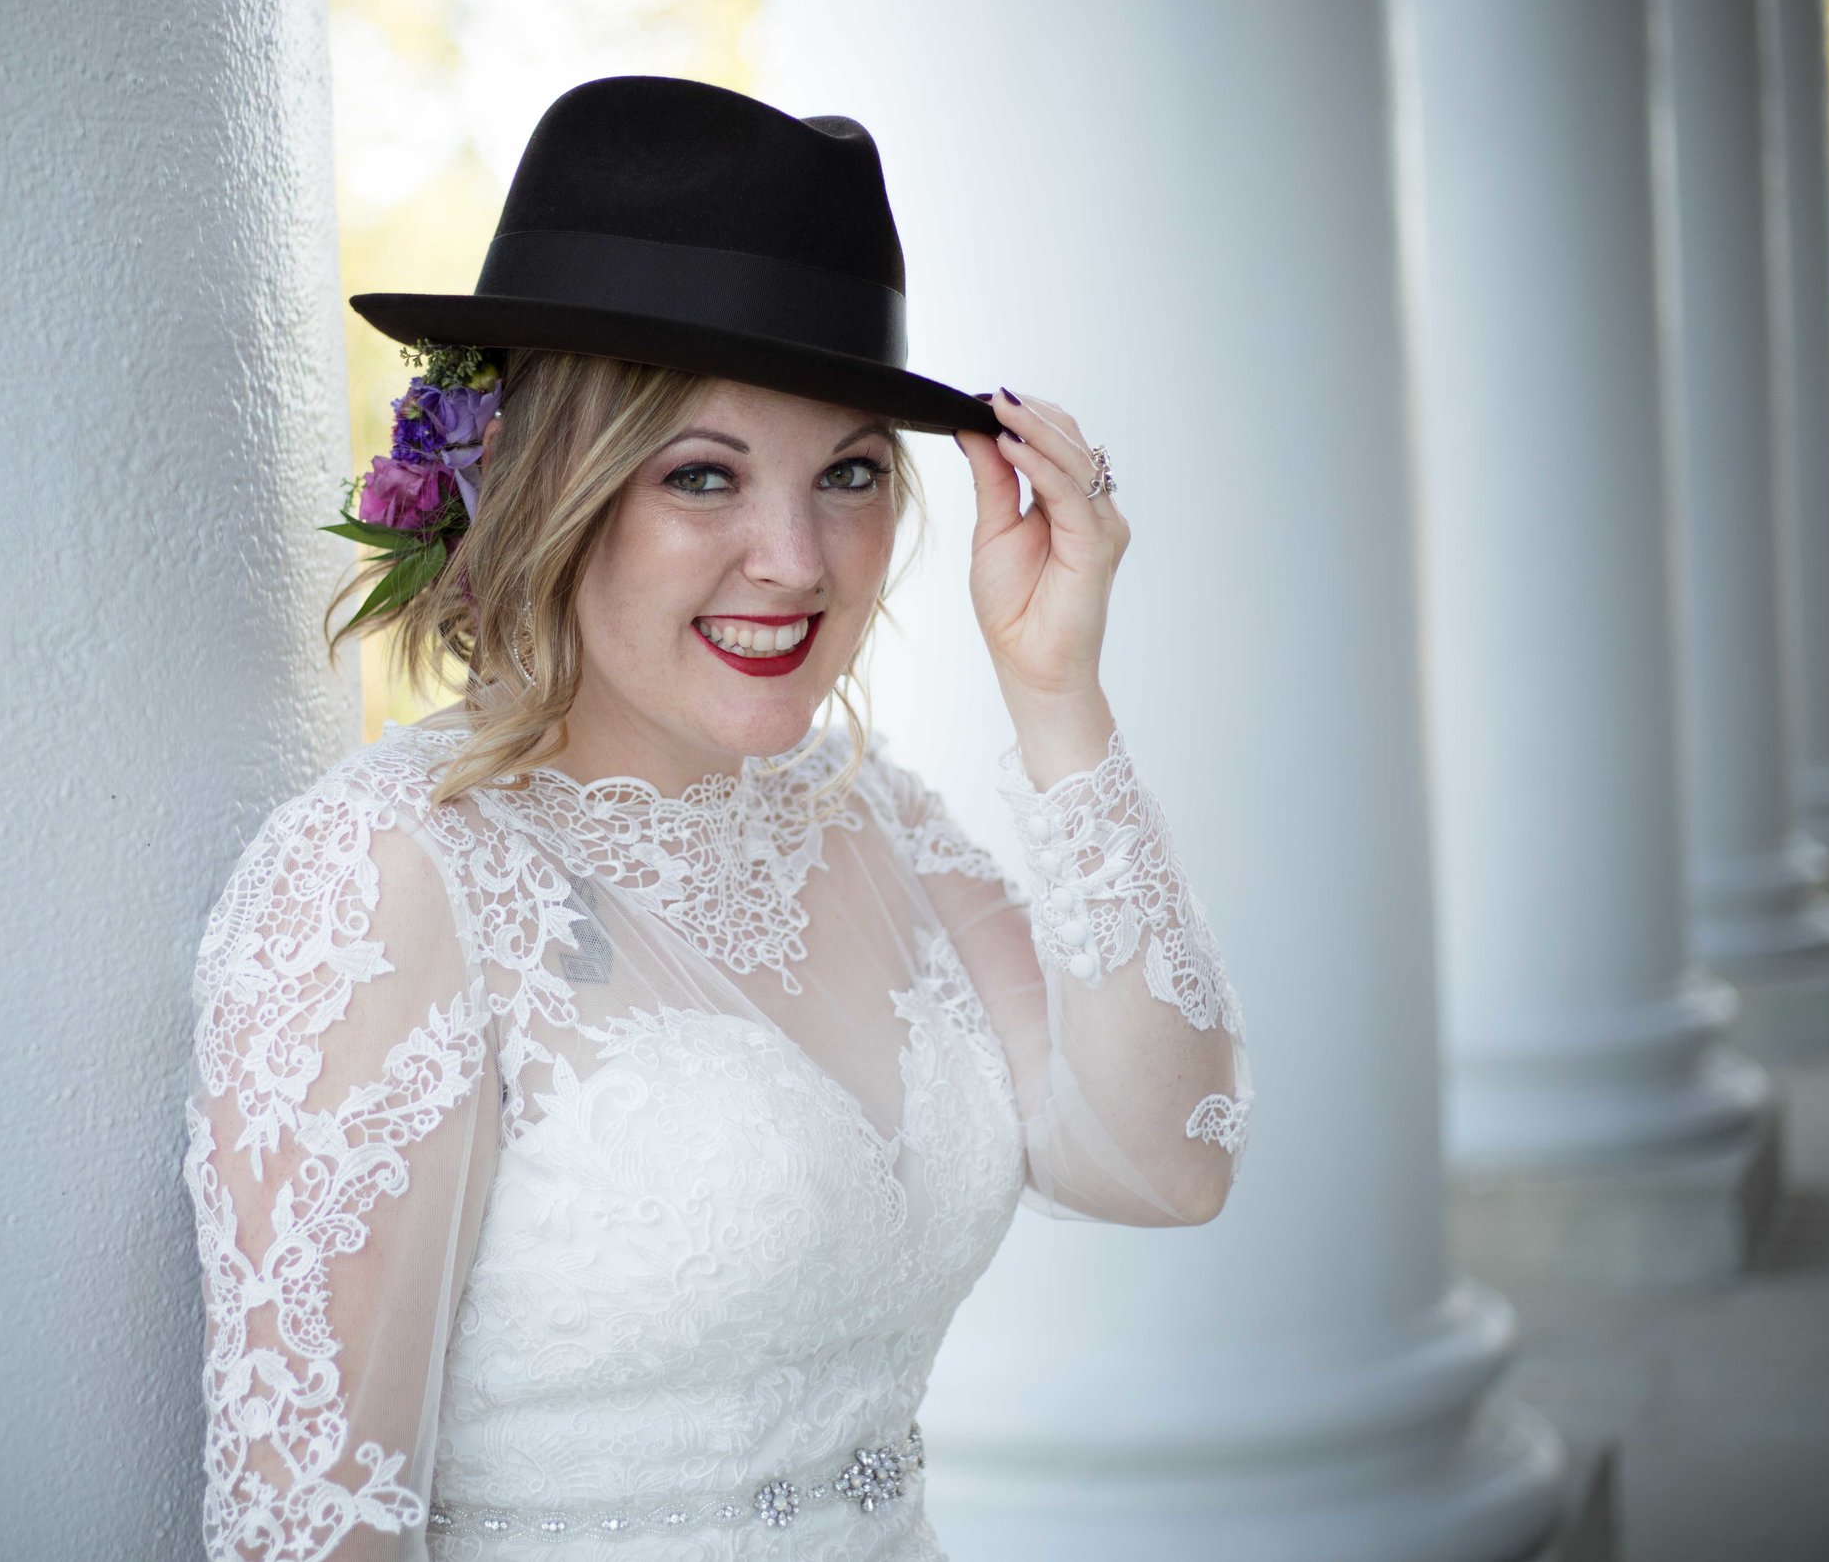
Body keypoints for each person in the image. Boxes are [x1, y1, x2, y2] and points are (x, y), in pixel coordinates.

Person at [182, 75, 1251, 1561]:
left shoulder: (880, 823)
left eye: (852, 473)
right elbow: (319, 1533)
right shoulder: (387, 881)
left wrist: (1059, 695)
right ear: (551, 486)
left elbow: (1170, 1160)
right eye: (703, 475)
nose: (797, 558)